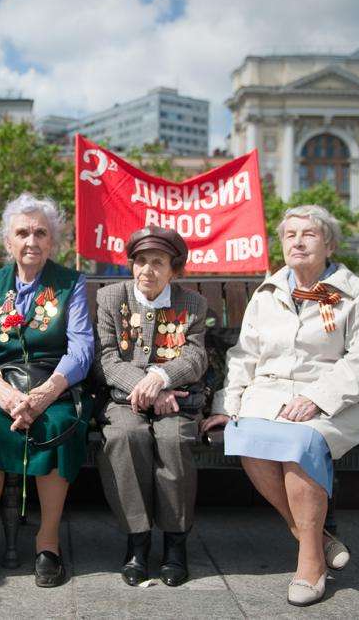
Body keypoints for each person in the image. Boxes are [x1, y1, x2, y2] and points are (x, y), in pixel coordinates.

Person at [201, 204, 359, 607]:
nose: (298, 241)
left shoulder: (354, 294)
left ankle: (309, 563)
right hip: (268, 397)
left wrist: (317, 398)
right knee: (244, 435)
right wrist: (227, 404)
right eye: (290, 235)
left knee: (299, 445)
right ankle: (315, 537)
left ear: (329, 244)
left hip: (333, 401)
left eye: (310, 234)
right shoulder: (267, 294)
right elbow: (244, 355)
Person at [0, 193, 94, 591]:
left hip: (53, 381)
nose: (32, 241)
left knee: (60, 422)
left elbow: (81, 347)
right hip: (3, 381)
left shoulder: (71, 283)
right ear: (8, 242)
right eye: (23, 233)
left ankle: (48, 543)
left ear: (53, 241)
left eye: (41, 233)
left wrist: (46, 393)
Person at [93, 226, 208, 587]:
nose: (147, 270)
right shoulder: (111, 298)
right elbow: (106, 359)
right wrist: (147, 388)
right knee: (126, 437)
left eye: (158, 263)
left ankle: (176, 543)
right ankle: (137, 542)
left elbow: (196, 356)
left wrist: (161, 378)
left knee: (174, 441)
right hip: (122, 399)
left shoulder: (192, 303)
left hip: (177, 399)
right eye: (140, 261)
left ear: (175, 269)